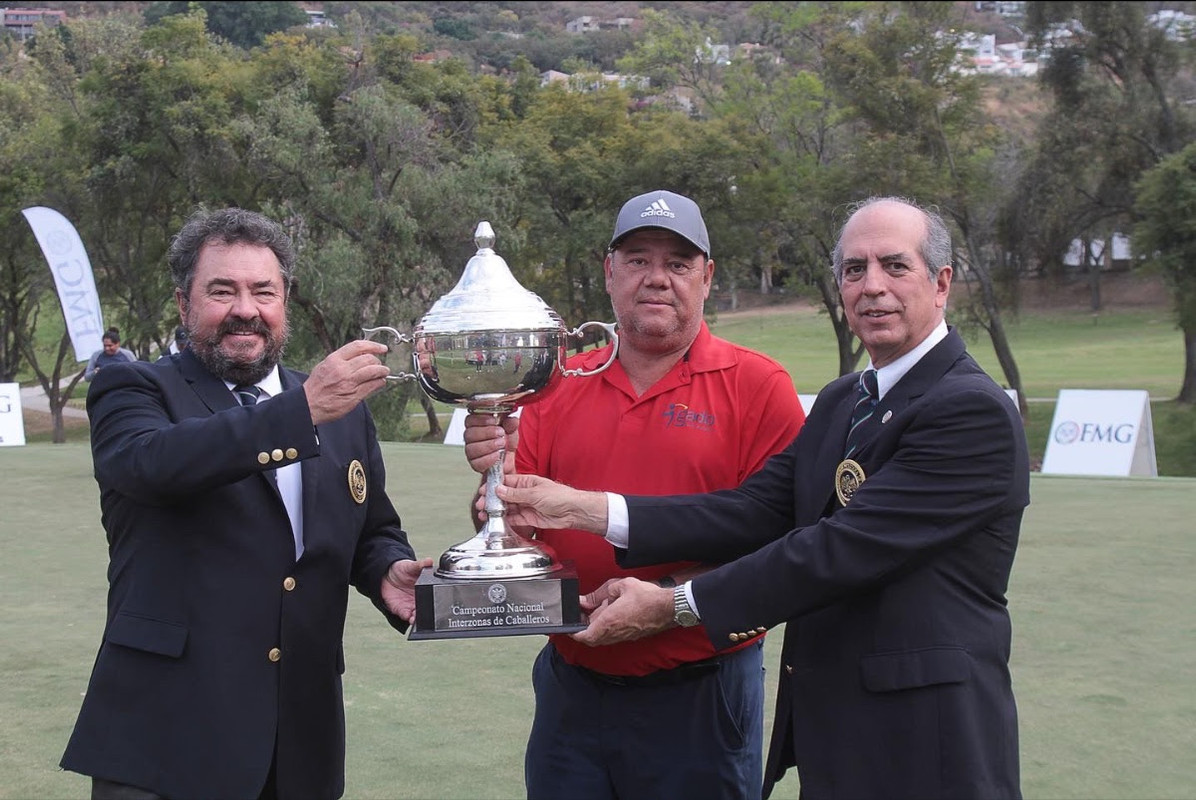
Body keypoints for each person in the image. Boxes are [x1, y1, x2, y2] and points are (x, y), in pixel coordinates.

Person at [491, 196, 1031, 799]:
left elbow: (835, 551)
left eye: (894, 266)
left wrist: (674, 605)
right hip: (837, 728)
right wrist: (583, 509)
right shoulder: (844, 400)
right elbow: (753, 511)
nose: (872, 287)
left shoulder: (970, 410)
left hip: (928, 740)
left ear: (941, 283)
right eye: (854, 270)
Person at [60, 207, 434, 800]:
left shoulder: (340, 412)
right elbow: (154, 464)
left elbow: (370, 529)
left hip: (300, 743)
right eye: (221, 291)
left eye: (264, 290)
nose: (246, 308)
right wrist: (302, 409)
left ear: (284, 301)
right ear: (184, 305)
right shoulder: (134, 389)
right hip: (165, 744)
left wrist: (388, 570)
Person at [463, 189, 806, 799]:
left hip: (702, 691)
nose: (657, 278)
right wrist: (494, 494)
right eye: (639, 259)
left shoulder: (760, 386)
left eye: (677, 263)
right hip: (573, 688)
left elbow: (781, 543)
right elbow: (519, 526)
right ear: (609, 272)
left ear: (707, 277)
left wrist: (669, 601)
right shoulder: (556, 381)